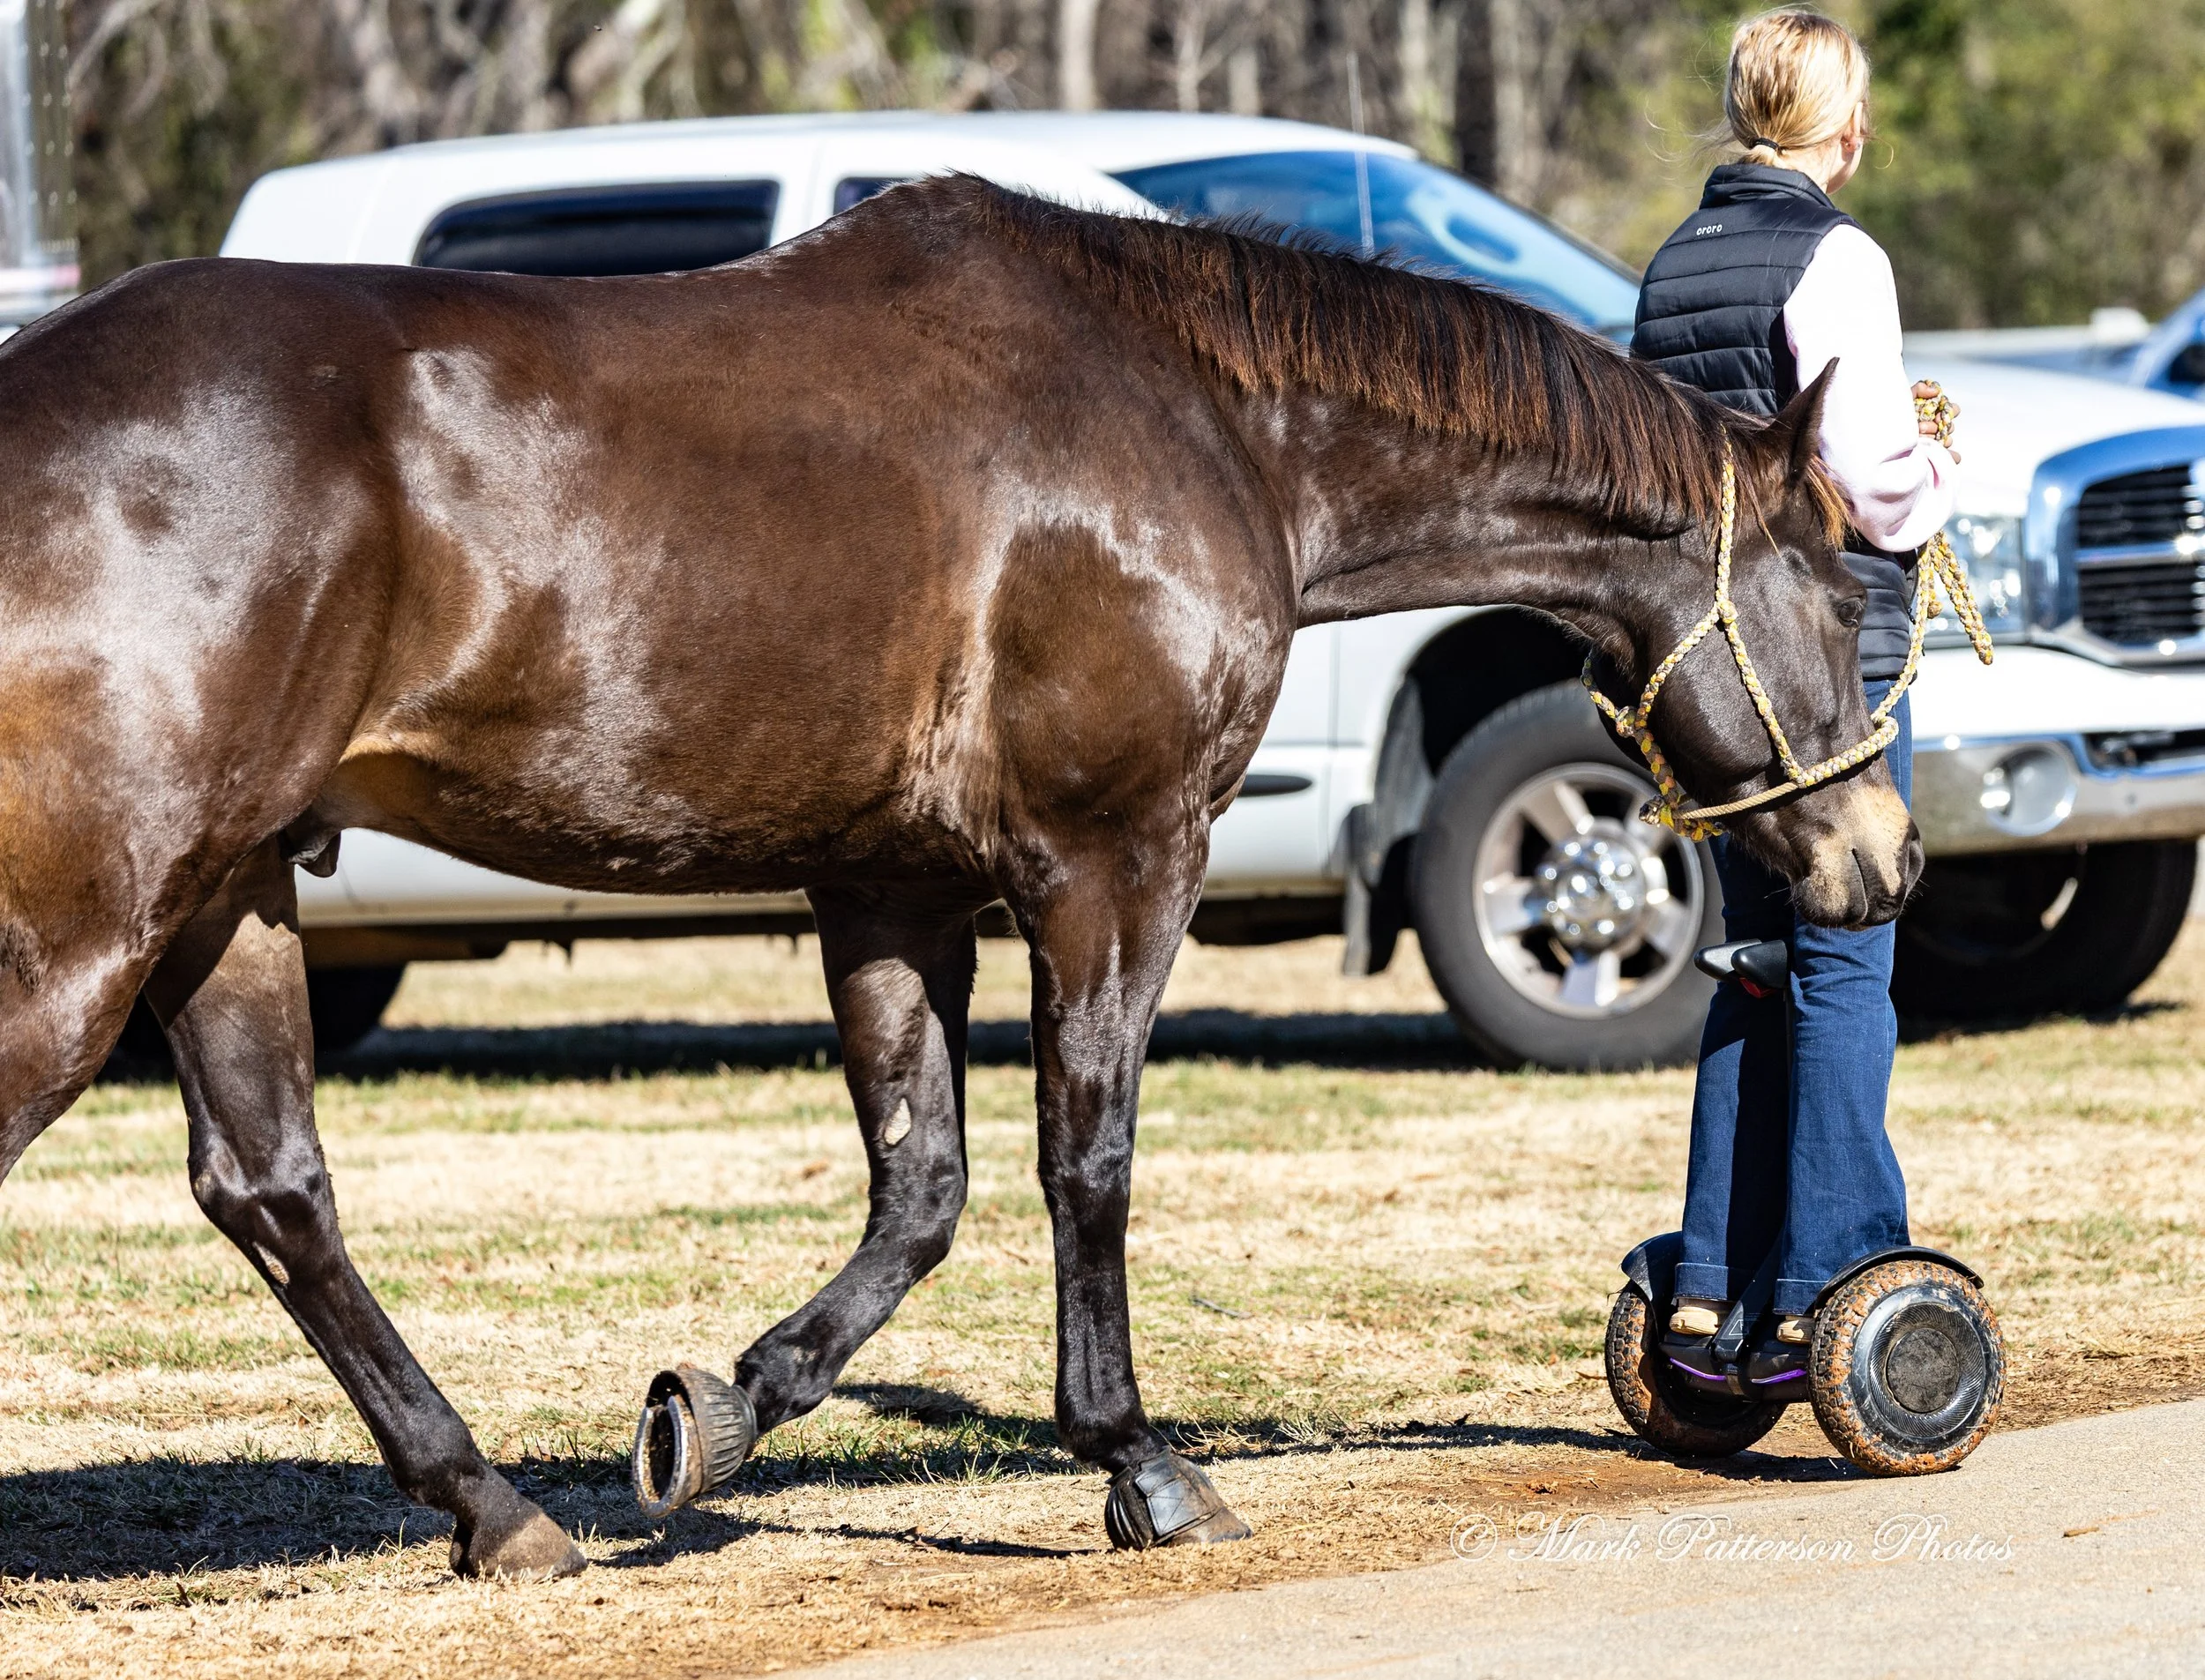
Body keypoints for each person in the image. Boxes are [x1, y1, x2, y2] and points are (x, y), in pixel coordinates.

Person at [1630, 9, 1957, 1369]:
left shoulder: (1671, 262)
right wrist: (1945, 472)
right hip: (1823, 672)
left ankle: (1713, 1283)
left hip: (1708, 680)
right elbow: (1878, 483)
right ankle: (1834, 1275)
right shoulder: (1840, 254)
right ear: (1845, 129)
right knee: (1844, 961)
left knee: (1752, 966)